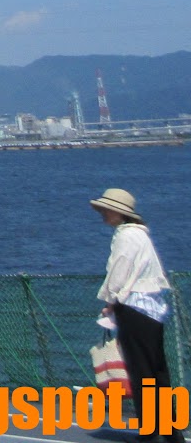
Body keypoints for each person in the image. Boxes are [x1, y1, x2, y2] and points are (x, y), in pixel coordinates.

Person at [91, 188, 183, 443]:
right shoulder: (140, 234)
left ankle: (149, 432)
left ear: (118, 213)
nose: (103, 214)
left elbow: (119, 269)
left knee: (141, 372)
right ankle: (170, 431)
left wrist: (110, 301)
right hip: (152, 309)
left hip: (133, 307)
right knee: (157, 372)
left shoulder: (125, 236)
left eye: (106, 210)